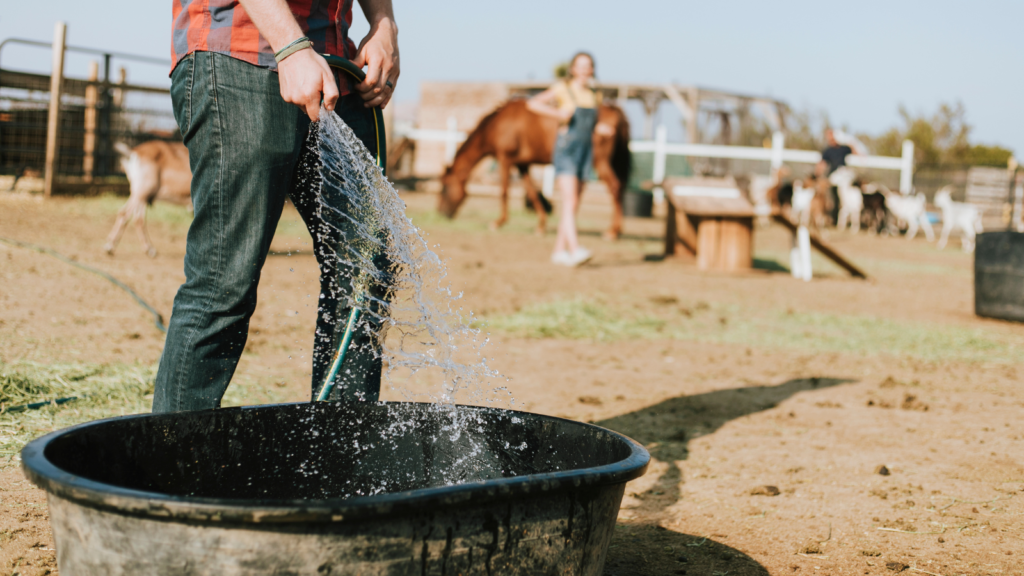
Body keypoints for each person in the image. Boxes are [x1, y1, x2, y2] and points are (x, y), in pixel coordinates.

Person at [153, 0, 399, 413]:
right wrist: (289, 45)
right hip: (242, 57)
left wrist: (383, 24)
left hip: (338, 67)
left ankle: (337, 458)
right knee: (223, 279)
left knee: (366, 274)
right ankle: (175, 463)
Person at [527, 52, 602, 267]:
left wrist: (600, 128)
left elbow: (589, 124)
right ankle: (575, 249)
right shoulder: (563, 89)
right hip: (567, 149)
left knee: (574, 204)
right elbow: (532, 104)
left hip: (586, 151)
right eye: (580, 66)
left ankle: (559, 251)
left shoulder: (595, 95)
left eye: (588, 66)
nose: (584, 70)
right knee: (569, 201)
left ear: (592, 69)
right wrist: (557, 113)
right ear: (573, 68)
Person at [817, 128, 859, 225]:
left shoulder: (843, 148)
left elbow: (855, 151)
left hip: (843, 178)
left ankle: (841, 220)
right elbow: (822, 164)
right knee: (831, 199)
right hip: (833, 179)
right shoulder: (827, 151)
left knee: (844, 200)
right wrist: (818, 175)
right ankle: (831, 218)